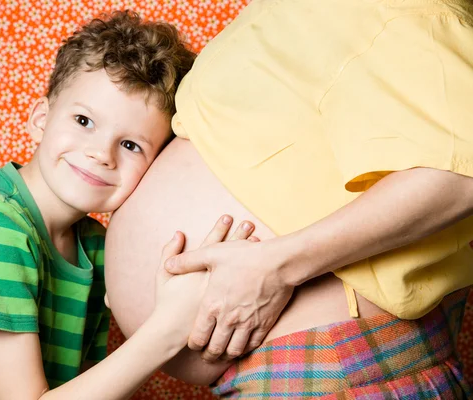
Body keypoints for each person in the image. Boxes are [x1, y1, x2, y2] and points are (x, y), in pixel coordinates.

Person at [104, 0, 473, 397]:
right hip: (285, 366)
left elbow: (456, 177)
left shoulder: (415, 11)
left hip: (336, 366)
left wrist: (276, 267)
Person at [0, 10, 222, 400]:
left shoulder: (97, 247)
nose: (100, 153)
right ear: (41, 119)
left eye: (130, 145)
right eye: (84, 121)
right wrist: (167, 328)